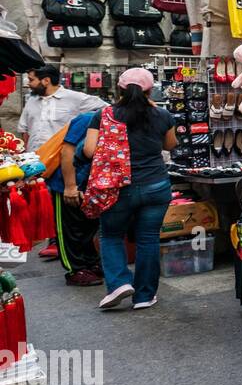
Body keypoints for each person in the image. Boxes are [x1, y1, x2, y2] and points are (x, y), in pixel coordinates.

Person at [83, 68, 177, 311]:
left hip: (117, 187)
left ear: (120, 89)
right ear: (149, 90)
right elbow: (170, 144)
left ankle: (119, 283)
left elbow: (89, 151)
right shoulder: (162, 115)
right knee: (148, 239)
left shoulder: (104, 115)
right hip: (156, 185)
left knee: (112, 235)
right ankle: (145, 295)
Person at [17, 65, 105, 258]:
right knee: (40, 203)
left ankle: (60, 243)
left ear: (45, 80)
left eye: (31, 79)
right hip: (35, 161)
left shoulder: (75, 98)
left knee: (60, 204)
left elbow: (103, 109)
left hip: (62, 161)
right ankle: (49, 239)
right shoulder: (32, 101)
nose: (28, 83)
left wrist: (82, 137)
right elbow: (25, 129)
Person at [49, 109, 102, 287]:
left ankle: (90, 263)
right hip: (65, 183)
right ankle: (75, 269)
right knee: (69, 230)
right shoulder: (88, 119)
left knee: (88, 226)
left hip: (90, 184)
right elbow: (67, 151)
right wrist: (70, 186)